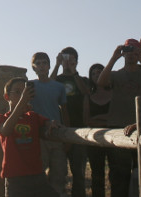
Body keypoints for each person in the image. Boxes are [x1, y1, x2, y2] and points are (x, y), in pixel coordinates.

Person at [97, 38, 141, 197]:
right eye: (128, 51)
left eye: (135, 51)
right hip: (118, 126)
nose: (131, 55)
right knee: (119, 173)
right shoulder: (116, 74)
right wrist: (113, 58)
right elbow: (101, 82)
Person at [0, 77, 59, 197]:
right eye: (17, 92)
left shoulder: (33, 116)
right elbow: (6, 131)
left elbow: (47, 122)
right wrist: (21, 102)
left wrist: (51, 124)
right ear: (7, 97)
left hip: (37, 175)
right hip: (15, 178)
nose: (22, 95)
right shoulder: (1, 118)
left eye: (24, 92)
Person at [50, 47, 89, 197]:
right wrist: (57, 65)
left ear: (76, 61)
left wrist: (74, 72)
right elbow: (49, 85)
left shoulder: (82, 79)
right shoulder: (57, 79)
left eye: (71, 59)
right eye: (65, 58)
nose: (67, 62)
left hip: (78, 128)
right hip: (58, 128)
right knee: (56, 172)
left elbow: (86, 92)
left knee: (78, 171)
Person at [30, 52, 69, 197]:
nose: (41, 66)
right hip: (39, 134)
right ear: (34, 67)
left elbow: (64, 110)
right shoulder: (30, 86)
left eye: (44, 63)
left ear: (49, 65)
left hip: (57, 134)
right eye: (38, 63)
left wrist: (67, 134)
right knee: (39, 172)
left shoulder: (58, 87)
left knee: (59, 173)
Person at [86, 63, 111, 197]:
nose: (97, 75)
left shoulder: (114, 93)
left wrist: (99, 117)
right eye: (94, 73)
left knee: (117, 173)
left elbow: (117, 116)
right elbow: (88, 120)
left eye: (100, 72)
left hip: (115, 138)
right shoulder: (88, 96)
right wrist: (107, 119)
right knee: (97, 174)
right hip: (94, 139)